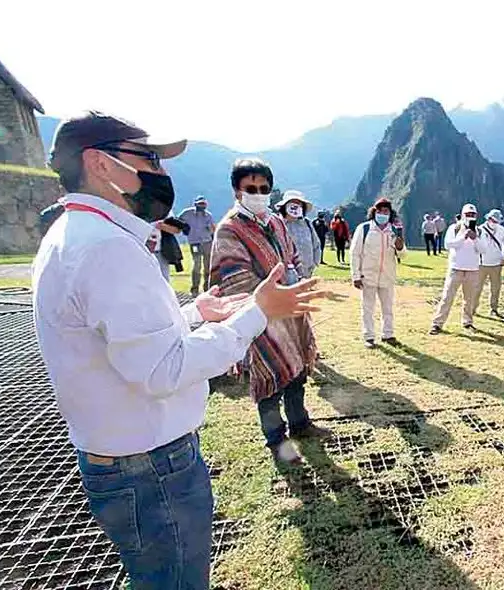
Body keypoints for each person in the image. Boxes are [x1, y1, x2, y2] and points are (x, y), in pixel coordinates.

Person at [34, 112, 327, 590]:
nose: (160, 172)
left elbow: (130, 338)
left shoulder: (81, 238)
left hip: (131, 455)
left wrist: (193, 314)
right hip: (149, 464)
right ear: (99, 163)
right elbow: (164, 369)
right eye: (147, 158)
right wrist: (256, 312)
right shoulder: (106, 248)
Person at [211, 158, 332, 465]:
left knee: (296, 372)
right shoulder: (229, 230)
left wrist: (297, 282)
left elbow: (291, 256)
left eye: (264, 188)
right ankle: (277, 441)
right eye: (251, 188)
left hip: (290, 312)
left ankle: (300, 424)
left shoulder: (275, 222)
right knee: (269, 381)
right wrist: (273, 295)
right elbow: (234, 279)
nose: (258, 193)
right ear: (237, 191)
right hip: (258, 317)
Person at [350, 197, 406, 348]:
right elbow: (355, 253)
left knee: (387, 308)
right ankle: (369, 337)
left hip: (387, 275)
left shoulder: (394, 231)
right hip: (368, 276)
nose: (382, 213)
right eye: (379, 211)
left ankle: (388, 335)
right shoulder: (364, 229)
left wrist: (400, 247)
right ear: (374, 212)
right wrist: (355, 276)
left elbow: (402, 255)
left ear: (390, 213)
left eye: (385, 211)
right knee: (367, 308)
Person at [431, 204, 485, 334]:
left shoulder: (479, 231)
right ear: (462, 215)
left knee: (469, 299)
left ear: (476, 216)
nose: (470, 217)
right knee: (447, 297)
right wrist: (463, 237)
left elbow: (483, 250)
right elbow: (448, 245)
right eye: (467, 214)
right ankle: (437, 323)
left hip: (472, 269)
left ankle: (468, 322)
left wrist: (475, 238)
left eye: (473, 215)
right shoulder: (454, 228)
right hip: (456, 268)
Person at [275, 190, 321, 278]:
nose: (295, 206)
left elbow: (316, 244)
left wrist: (314, 263)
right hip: (285, 274)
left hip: (306, 272)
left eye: (299, 204)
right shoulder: (276, 223)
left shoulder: (307, 224)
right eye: (292, 203)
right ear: (284, 206)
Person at [474, 209, 504, 317]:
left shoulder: (502, 230)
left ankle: (494, 309)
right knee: (477, 287)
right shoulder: (479, 229)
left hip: (496, 264)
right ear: (488, 219)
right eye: (494, 221)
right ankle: (473, 308)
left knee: (495, 288)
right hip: (481, 263)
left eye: (497, 221)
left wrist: (503, 257)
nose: (495, 223)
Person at [178, 195, 216, 295]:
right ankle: (194, 289)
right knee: (197, 265)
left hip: (207, 243)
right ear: (195, 204)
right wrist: (183, 228)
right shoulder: (187, 213)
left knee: (208, 267)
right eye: (200, 204)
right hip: (195, 243)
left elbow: (213, 229)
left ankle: (207, 289)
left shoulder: (208, 215)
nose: (202, 206)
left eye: (203, 204)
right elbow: (177, 221)